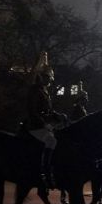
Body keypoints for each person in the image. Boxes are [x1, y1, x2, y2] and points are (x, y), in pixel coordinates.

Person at [26, 53, 63, 190]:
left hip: (45, 125)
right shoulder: (35, 90)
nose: (49, 81)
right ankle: (44, 170)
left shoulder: (44, 91)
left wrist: (60, 116)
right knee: (51, 141)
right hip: (35, 126)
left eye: (50, 78)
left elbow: (49, 110)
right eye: (47, 78)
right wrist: (44, 124)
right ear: (41, 77)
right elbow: (32, 110)